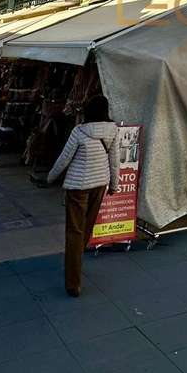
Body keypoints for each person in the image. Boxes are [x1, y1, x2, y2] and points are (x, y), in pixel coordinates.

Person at [47, 96, 119, 298]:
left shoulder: (79, 131)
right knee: (86, 228)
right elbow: (114, 160)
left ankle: (73, 282)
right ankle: (76, 262)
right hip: (100, 183)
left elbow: (64, 159)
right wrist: (115, 184)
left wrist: (50, 177)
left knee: (74, 231)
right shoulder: (112, 130)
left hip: (79, 186)